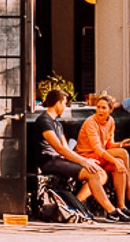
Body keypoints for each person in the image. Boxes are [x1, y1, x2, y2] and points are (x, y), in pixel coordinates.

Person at [28, 87, 120, 222]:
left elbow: (67, 149)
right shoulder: (44, 121)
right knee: (92, 173)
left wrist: (84, 160)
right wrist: (84, 162)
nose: (65, 107)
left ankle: (74, 204)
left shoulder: (57, 124)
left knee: (101, 174)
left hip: (60, 159)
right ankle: (112, 211)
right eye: (65, 103)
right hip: (49, 161)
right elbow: (59, 148)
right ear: (58, 103)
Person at [75, 94, 130, 217]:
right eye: (98, 107)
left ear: (110, 110)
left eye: (103, 108)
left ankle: (121, 206)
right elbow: (97, 149)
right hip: (87, 156)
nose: (100, 110)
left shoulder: (111, 121)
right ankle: (129, 191)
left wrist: (120, 144)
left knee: (121, 163)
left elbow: (109, 144)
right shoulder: (90, 122)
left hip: (101, 156)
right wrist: (115, 160)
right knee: (121, 156)